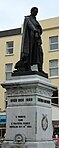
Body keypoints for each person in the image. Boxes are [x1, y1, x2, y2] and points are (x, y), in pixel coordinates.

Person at [15, 7, 43, 72]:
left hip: (37, 39)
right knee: (29, 53)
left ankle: (40, 68)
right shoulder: (27, 18)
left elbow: (40, 29)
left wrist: (38, 31)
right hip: (30, 39)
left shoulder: (36, 21)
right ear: (31, 11)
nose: (36, 13)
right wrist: (35, 30)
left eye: (37, 12)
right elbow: (30, 25)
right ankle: (27, 67)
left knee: (39, 53)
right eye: (35, 11)